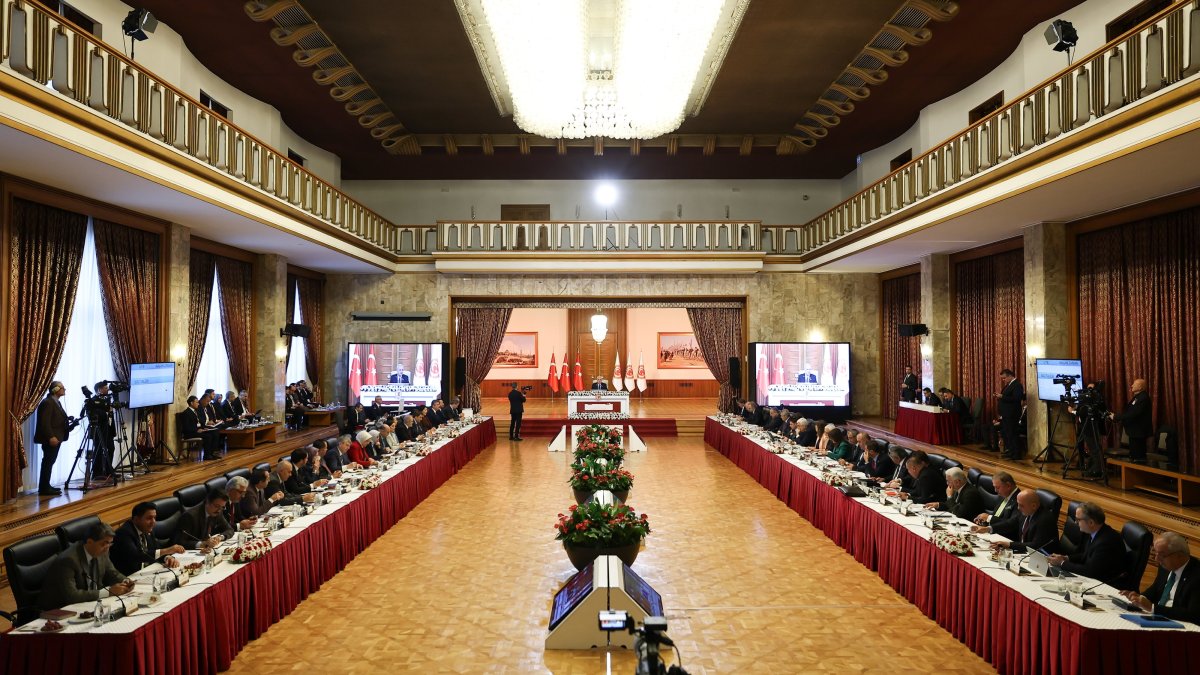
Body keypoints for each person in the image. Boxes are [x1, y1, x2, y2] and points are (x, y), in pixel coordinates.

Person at [39, 522, 133, 610]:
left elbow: (112, 572)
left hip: (90, 605)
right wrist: (108, 592)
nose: (107, 549)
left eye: (109, 543)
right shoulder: (68, 560)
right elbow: (72, 596)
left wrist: (126, 581)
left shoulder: (102, 551)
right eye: (104, 544)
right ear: (89, 542)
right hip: (60, 610)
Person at [1119, 532, 1200, 623]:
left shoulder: (1197, 576)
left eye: (1162, 555)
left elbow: (1193, 614)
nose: (1156, 559)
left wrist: (1152, 608)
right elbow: (1156, 588)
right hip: (1160, 618)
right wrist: (1139, 598)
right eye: (1155, 553)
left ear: (1180, 555)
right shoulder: (1165, 566)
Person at [1047, 503, 1125, 584]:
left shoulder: (1106, 542)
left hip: (1105, 586)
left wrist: (1062, 563)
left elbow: (1090, 571)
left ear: (1091, 522)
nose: (1075, 522)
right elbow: (1087, 555)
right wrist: (1066, 558)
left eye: (1078, 519)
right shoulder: (1095, 532)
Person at [974, 489, 1058, 553]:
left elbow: (1036, 545)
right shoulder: (1026, 510)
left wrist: (1010, 545)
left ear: (1033, 506)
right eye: (1018, 504)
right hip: (1024, 553)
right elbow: (1010, 523)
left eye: (1021, 505)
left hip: (1043, 559)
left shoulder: (1045, 519)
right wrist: (988, 528)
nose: (1018, 508)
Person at [110, 502, 184, 575]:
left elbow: (156, 549)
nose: (153, 522)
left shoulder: (147, 528)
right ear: (136, 519)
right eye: (149, 518)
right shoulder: (124, 533)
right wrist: (167, 550)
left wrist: (167, 558)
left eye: (154, 517)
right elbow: (136, 556)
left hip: (147, 573)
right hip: (130, 577)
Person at [34, 380, 71, 496]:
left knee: (50, 462)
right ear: (55, 390)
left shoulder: (56, 402)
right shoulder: (48, 402)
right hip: (51, 439)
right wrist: (51, 436)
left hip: (57, 437)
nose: (65, 389)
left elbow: (56, 420)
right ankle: (44, 488)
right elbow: (44, 423)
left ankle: (46, 485)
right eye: (62, 387)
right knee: (48, 462)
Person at [1110, 378, 1152, 463]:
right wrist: (1115, 416)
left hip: (1139, 432)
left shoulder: (1143, 398)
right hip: (1134, 431)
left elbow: (1133, 414)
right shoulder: (1137, 397)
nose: (1132, 385)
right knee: (1133, 456)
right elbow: (1129, 412)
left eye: (1134, 384)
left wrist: (1116, 417)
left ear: (1140, 387)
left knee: (1138, 458)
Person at [995, 368, 1026, 459]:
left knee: (1013, 433)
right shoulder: (1009, 385)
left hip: (1012, 414)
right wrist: (1000, 397)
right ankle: (1010, 451)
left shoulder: (1017, 385)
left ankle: (1016, 454)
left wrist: (1002, 396)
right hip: (1006, 414)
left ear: (1010, 376)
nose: (1003, 380)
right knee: (1007, 433)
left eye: (1004, 378)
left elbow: (1017, 399)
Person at [181, 395, 220, 460]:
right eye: (196, 402)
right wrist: (197, 430)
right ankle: (207, 456)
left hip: (196, 430)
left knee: (213, 432)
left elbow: (198, 423)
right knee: (208, 436)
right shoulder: (186, 413)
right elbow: (186, 428)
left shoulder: (194, 411)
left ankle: (212, 453)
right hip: (190, 433)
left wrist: (203, 428)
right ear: (191, 403)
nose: (198, 404)